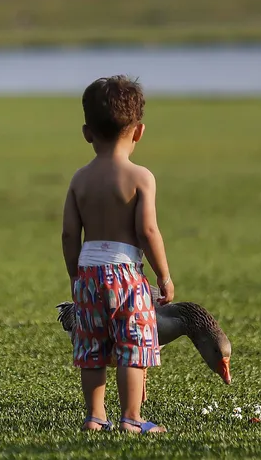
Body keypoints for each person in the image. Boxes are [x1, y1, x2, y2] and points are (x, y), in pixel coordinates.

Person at [61, 75, 175, 433]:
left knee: (92, 347)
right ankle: (132, 417)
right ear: (139, 131)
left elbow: (68, 233)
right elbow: (148, 231)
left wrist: (75, 275)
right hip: (127, 275)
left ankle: (95, 417)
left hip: (88, 273)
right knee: (133, 345)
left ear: (86, 132)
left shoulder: (79, 179)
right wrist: (164, 275)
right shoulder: (141, 177)